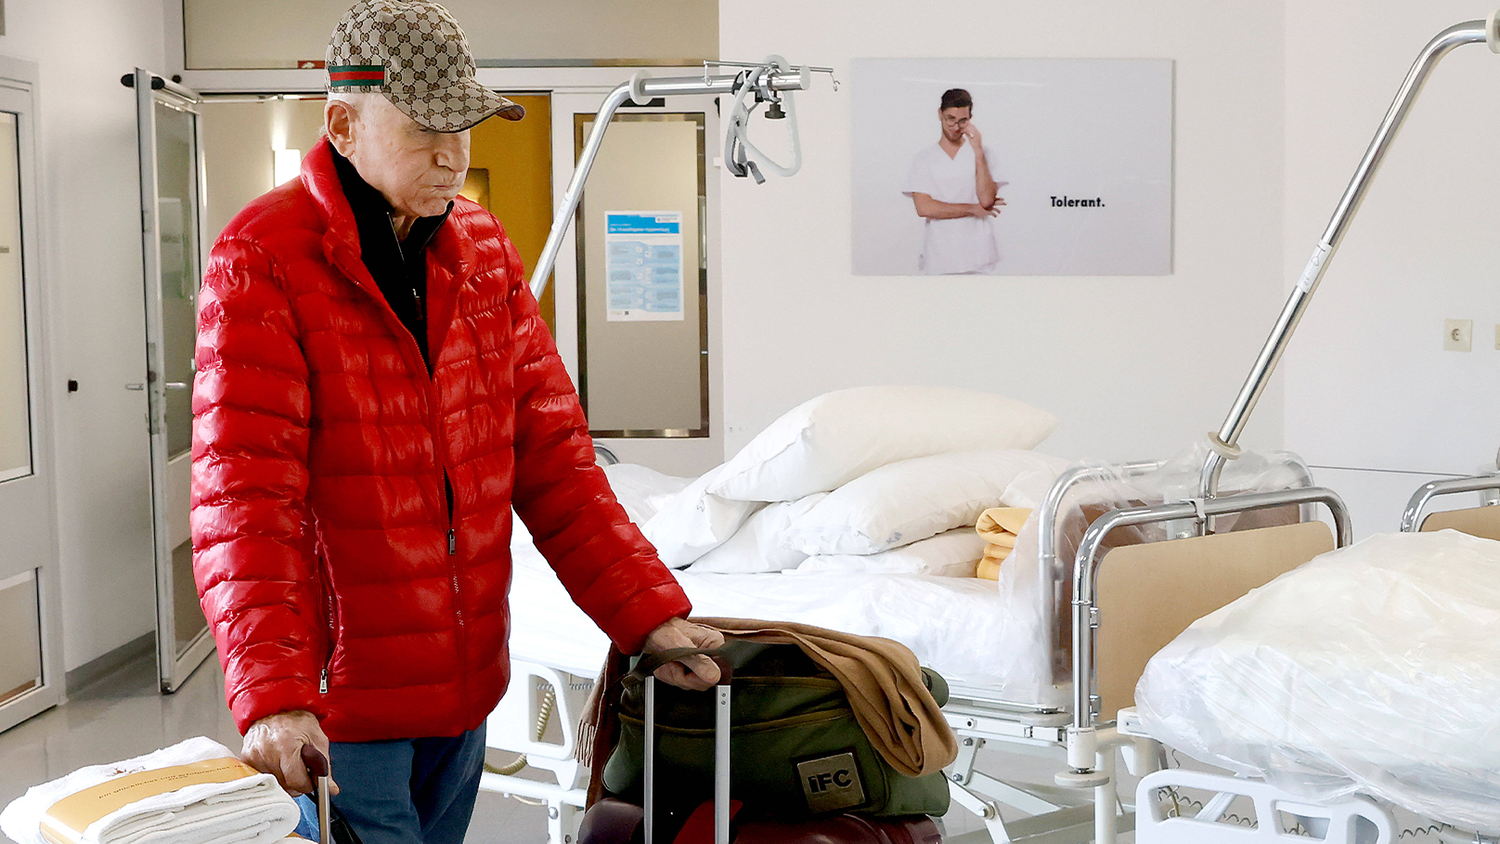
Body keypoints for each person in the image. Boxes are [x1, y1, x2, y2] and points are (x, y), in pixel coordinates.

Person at [189, 2, 721, 842]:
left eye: (462, 128)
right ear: (343, 123)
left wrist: (645, 613)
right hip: (343, 706)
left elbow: (553, 456)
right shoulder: (262, 255)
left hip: (466, 688)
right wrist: (273, 696)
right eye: (424, 130)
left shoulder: (481, 250)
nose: (451, 156)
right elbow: (245, 499)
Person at [901, 88, 1006, 274]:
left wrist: (978, 152)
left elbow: (987, 200)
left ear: (970, 119)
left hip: (979, 257)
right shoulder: (924, 159)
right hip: (939, 257)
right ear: (940, 114)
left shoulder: (983, 153)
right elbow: (924, 208)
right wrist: (973, 209)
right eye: (950, 119)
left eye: (962, 121)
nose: (956, 127)